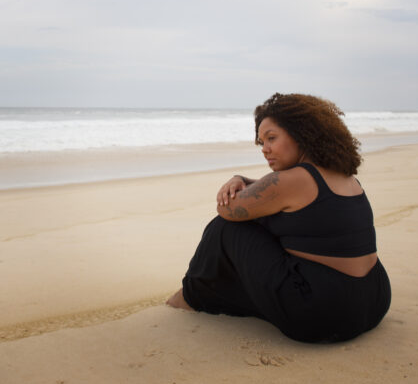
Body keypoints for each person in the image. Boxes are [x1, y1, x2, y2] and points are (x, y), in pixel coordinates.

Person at [166, 93, 391, 343]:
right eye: (261, 142)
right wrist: (244, 179)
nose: (265, 149)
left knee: (226, 228)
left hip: (325, 314)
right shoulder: (344, 176)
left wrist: (236, 181)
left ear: (301, 133)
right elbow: (276, 192)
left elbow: (227, 209)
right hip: (373, 300)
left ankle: (186, 298)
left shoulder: (292, 181)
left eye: (271, 138)